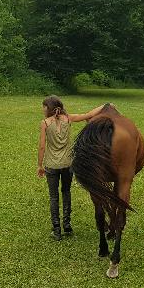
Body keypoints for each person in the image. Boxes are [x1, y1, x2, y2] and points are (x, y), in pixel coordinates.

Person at [37, 96, 109, 240]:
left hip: (51, 165)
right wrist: (105, 105)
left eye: (44, 106)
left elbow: (42, 146)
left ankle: (56, 230)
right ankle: (67, 225)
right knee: (66, 192)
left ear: (48, 108)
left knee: (53, 197)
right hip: (68, 164)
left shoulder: (45, 123)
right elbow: (88, 115)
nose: (42, 109)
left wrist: (39, 165)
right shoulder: (68, 118)